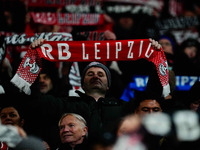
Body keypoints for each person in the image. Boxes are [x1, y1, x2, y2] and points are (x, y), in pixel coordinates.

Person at [6, 38, 163, 149]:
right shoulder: (66, 104)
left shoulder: (123, 107)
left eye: (101, 74)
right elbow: (34, 101)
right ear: (82, 84)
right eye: (90, 74)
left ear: (108, 85)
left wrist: (153, 59)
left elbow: (152, 97)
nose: (95, 76)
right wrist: (35, 59)